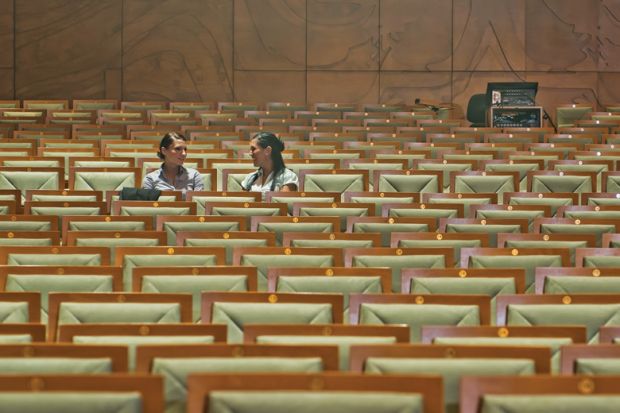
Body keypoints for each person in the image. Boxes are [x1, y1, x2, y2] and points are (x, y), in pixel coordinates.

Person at [241, 132, 298, 197]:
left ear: (267, 150)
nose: (250, 153)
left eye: (253, 149)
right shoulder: (250, 178)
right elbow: (242, 203)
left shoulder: (288, 177)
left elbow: (282, 204)